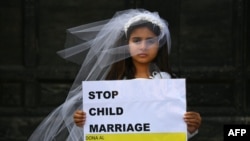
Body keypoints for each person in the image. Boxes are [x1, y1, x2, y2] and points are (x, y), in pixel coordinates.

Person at [28, 9, 201, 141]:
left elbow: (171, 128)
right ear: (126, 44)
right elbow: (102, 129)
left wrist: (191, 126)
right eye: (136, 40)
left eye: (150, 41)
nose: (143, 47)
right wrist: (84, 122)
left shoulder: (166, 81)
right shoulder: (113, 84)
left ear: (160, 44)